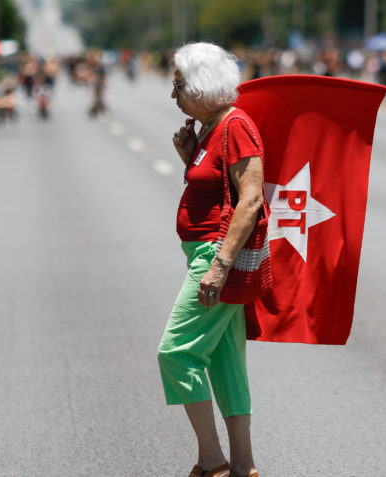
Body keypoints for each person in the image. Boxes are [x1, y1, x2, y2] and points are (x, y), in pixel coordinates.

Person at [158, 42, 263, 477]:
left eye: (178, 85)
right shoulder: (211, 127)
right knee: (225, 364)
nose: (174, 95)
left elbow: (251, 197)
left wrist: (219, 266)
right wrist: (190, 158)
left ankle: (212, 461)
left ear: (200, 86)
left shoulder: (236, 125)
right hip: (206, 254)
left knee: (176, 353)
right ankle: (243, 467)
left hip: (216, 257)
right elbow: (216, 185)